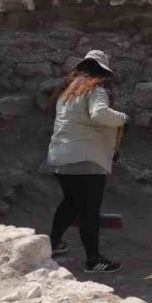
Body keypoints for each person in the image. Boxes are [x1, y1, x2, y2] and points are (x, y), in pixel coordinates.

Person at [45, 50, 127, 274]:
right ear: (103, 72)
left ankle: (53, 243)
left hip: (61, 158)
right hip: (87, 160)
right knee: (89, 211)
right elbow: (100, 115)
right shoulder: (96, 90)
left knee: (71, 203)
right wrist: (123, 118)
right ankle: (93, 259)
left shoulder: (68, 92)